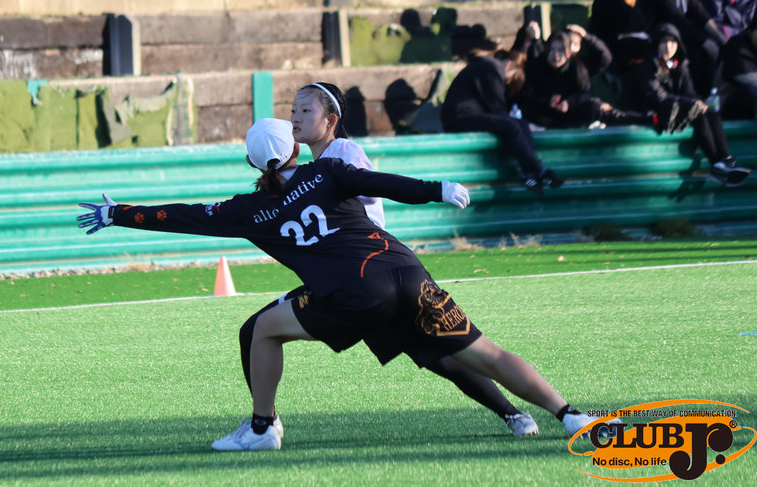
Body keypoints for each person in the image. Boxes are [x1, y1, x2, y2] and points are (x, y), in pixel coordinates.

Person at [77, 118, 606, 451]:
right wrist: (437, 188)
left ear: (251, 161)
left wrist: (118, 213)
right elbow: (381, 184)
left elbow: (182, 215)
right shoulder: (327, 170)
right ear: (295, 147)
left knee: (260, 330)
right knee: (486, 352)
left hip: (353, 292)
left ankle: (262, 428)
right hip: (407, 270)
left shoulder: (247, 209)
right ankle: (571, 416)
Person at [238, 82, 540, 439]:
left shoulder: (343, 152)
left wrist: (433, 189)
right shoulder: (317, 165)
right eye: (293, 111)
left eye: (305, 111)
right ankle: (514, 414)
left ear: (331, 120)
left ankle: (263, 424)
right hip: (356, 274)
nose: (295, 119)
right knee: (437, 354)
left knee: (442, 353)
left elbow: (368, 191)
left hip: (365, 271)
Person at [626, 23, 751, 187]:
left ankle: (725, 159)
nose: (668, 46)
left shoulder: (680, 65)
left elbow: (689, 92)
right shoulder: (645, 66)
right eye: (664, 42)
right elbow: (658, 97)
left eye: (672, 42)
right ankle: (716, 164)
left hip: (679, 108)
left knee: (711, 111)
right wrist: (692, 103)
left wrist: (699, 103)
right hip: (657, 112)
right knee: (697, 112)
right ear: (656, 44)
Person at [441, 49, 564, 194]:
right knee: (511, 124)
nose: (506, 82)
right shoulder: (492, 68)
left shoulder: (487, 66)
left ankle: (530, 174)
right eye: (509, 80)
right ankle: (540, 170)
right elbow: (497, 109)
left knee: (520, 123)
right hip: (459, 119)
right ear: (509, 64)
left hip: (463, 116)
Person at [520, 28, 654, 129]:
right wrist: (548, 101)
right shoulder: (535, 66)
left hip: (569, 116)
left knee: (596, 107)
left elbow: (586, 92)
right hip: (542, 117)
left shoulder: (577, 66)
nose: (556, 55)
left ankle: (648, 119)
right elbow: (526, 96)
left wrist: (569, 103)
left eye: (560, 50)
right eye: (552, 50)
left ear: (568, 53)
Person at [720, 17, 757, 119]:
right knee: (751, 92)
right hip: (728, 104)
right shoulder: (737, 44)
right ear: (752, 30)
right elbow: (744, 76)